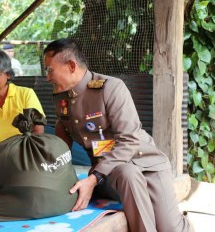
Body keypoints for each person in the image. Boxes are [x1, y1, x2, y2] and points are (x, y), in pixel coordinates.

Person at [43, 38, 192, 232]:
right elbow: (63, 134)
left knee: (170, 227)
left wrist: (93, 178)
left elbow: (129, 140)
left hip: (147, 165)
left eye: (50, 70)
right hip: (111, 172)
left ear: (71, 66)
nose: (47, 77)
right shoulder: (61, 96)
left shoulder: (110, 88)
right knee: (127, 173)